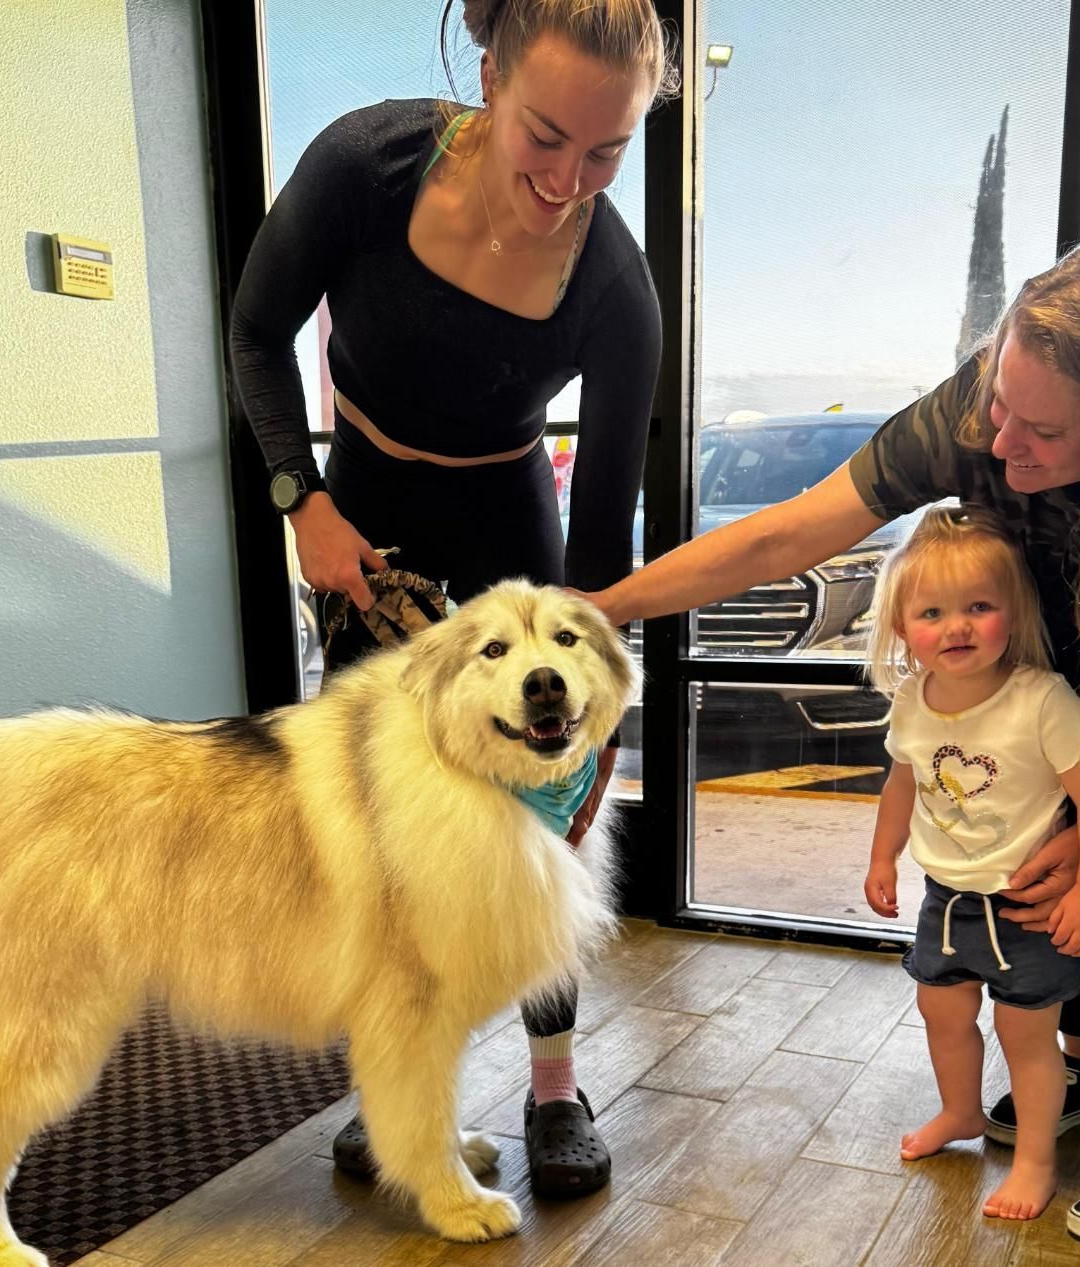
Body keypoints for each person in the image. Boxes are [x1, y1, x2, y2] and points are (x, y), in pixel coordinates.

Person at [588, 239, 1080, 1249]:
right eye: (1000, 404)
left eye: (1042, 431)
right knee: (1031, 880)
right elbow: (785, 534)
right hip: (1045, 665)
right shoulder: (976, 410)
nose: (999, 443)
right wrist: (607, 605)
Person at [229, 0, 676, 1199]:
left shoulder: (618, 288)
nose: (569, 181)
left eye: (607, 152)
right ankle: (396, 1091)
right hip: (360, 524)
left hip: (509, 527)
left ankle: (553, 1086)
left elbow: (590, 564)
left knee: (540, 808)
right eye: (546, 136)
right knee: (378, 822)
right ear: (487, 73)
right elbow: (257, 331)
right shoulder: (362, 167)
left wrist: (584, 703)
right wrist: (304, 504)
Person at [862, 506, 1080, 1220]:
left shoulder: (1041, 698)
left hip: (1025, 907)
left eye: (979, 606)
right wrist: (882, 854)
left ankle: (1036, 1159)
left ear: (1012, 612)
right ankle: (960, 1111)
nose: (956, 626)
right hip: (943, 899)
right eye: (932, 612)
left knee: (1025, 1035)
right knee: (940, 1010)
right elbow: (902, 781)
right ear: (899, 627)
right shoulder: (914, 699)